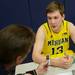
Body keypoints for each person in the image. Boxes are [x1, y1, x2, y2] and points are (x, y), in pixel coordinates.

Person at [32, 0, 75, 69]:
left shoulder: (69, 26)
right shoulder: (43, 29)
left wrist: (73, 59)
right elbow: (35, 56)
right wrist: (56, 62)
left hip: (65, 60)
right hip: (48, 63)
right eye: (49, 18)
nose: (52, 22)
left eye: (55, 17)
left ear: (63, 17)